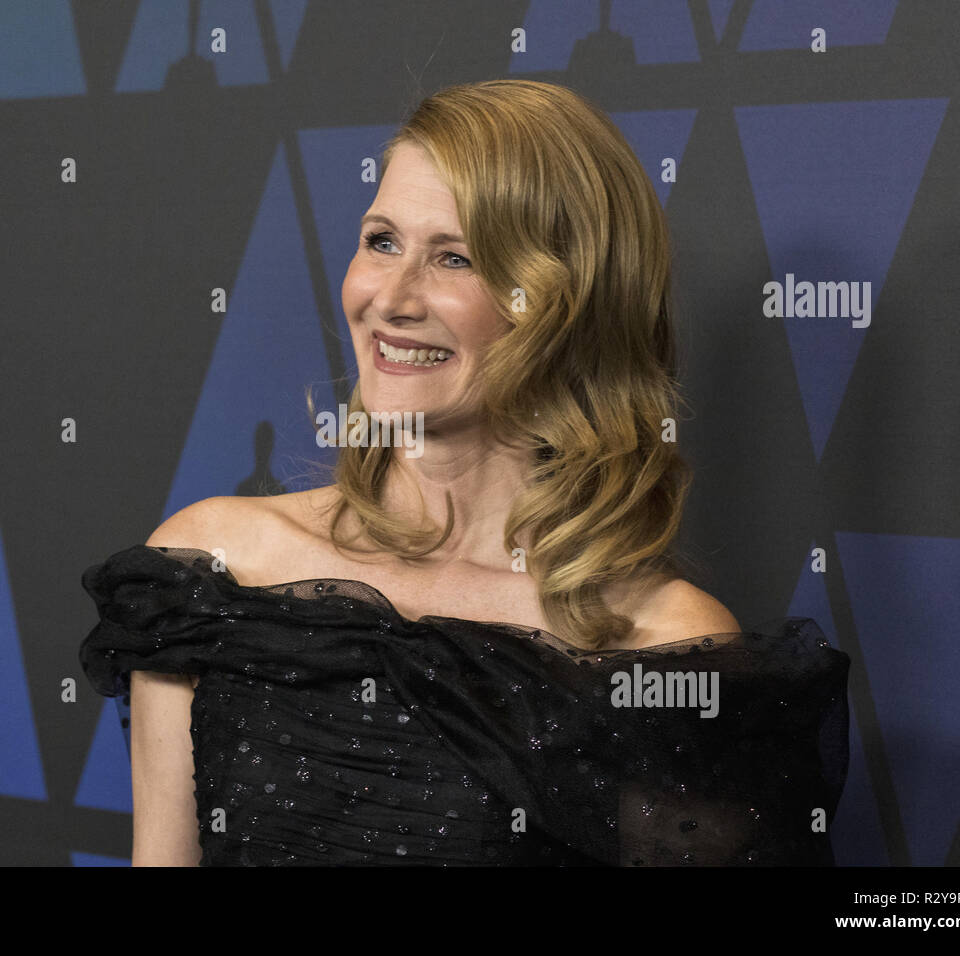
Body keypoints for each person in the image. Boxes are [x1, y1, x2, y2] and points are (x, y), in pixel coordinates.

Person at [79, 79, 850, 866]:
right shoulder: (212, 570)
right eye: (381, 241)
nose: (391, 297)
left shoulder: (665, 648)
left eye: (455, 258)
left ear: (567, 307)